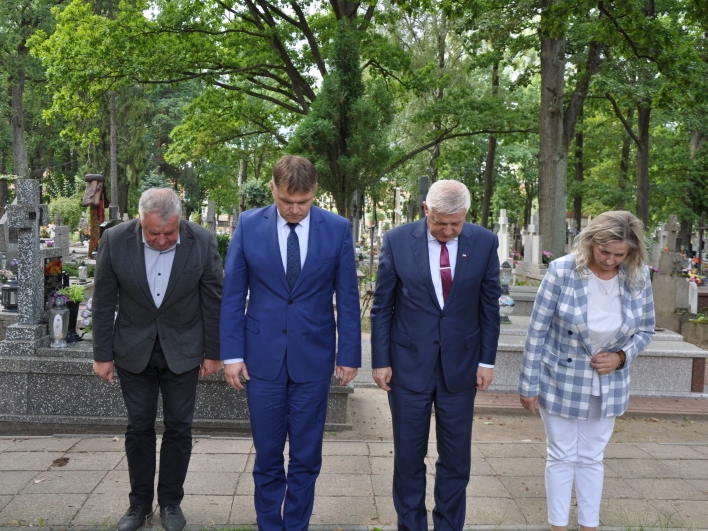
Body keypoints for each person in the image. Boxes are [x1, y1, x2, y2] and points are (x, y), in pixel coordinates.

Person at [220, 155, 361, 531]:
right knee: (267, 455)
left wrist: (349, 353)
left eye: (305, 202)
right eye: (287, 202)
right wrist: (231, 355)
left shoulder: (337, 228)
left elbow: (348, 296)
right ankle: (270, 525)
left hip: (313, 360)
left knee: (306, 456)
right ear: (273, 189)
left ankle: (296, 525)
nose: (296, 210)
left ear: (316, 193)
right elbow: (233, 295)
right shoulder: (249, 225)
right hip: (261, 358)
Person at [370, 179, 501, 531]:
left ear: (466, 215)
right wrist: (380, 361)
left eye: (455, 224)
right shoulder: (397, 241)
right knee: (409, 458)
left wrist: (487, 361)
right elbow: (382, 306)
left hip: (461, 367)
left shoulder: (485, 242)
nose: (447, 231)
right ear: (425, 209)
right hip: (407, 367)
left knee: (456, 459)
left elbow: (490, 306)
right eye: (440, 222)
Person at [92, 188, 223, 531]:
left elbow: (213, 300)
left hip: (184, 349)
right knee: (139, 427)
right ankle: (138, 505)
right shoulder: (115, 241)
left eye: (170, 232)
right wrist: (102, 355)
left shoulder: (203, 241)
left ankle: (170, 503)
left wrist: (214, 353)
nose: (163, 239)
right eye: (154, 233)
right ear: (140, 220)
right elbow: (104, 301)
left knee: (179, 427)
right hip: (133, 350)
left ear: (180, 220)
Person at [518, 210, 655, 531]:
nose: (609, 260)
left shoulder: (638, 276)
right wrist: (528, 384)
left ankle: (589, 525)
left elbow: (646, 329)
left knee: (592, 456)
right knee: (562, 454)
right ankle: (558, 526)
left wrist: (622, 356)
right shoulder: (562, 271)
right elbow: (537, 331)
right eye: (603, 251)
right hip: (560, 377)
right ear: (591, 242)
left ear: (632, 252)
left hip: (609, 380)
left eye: (619, 254)